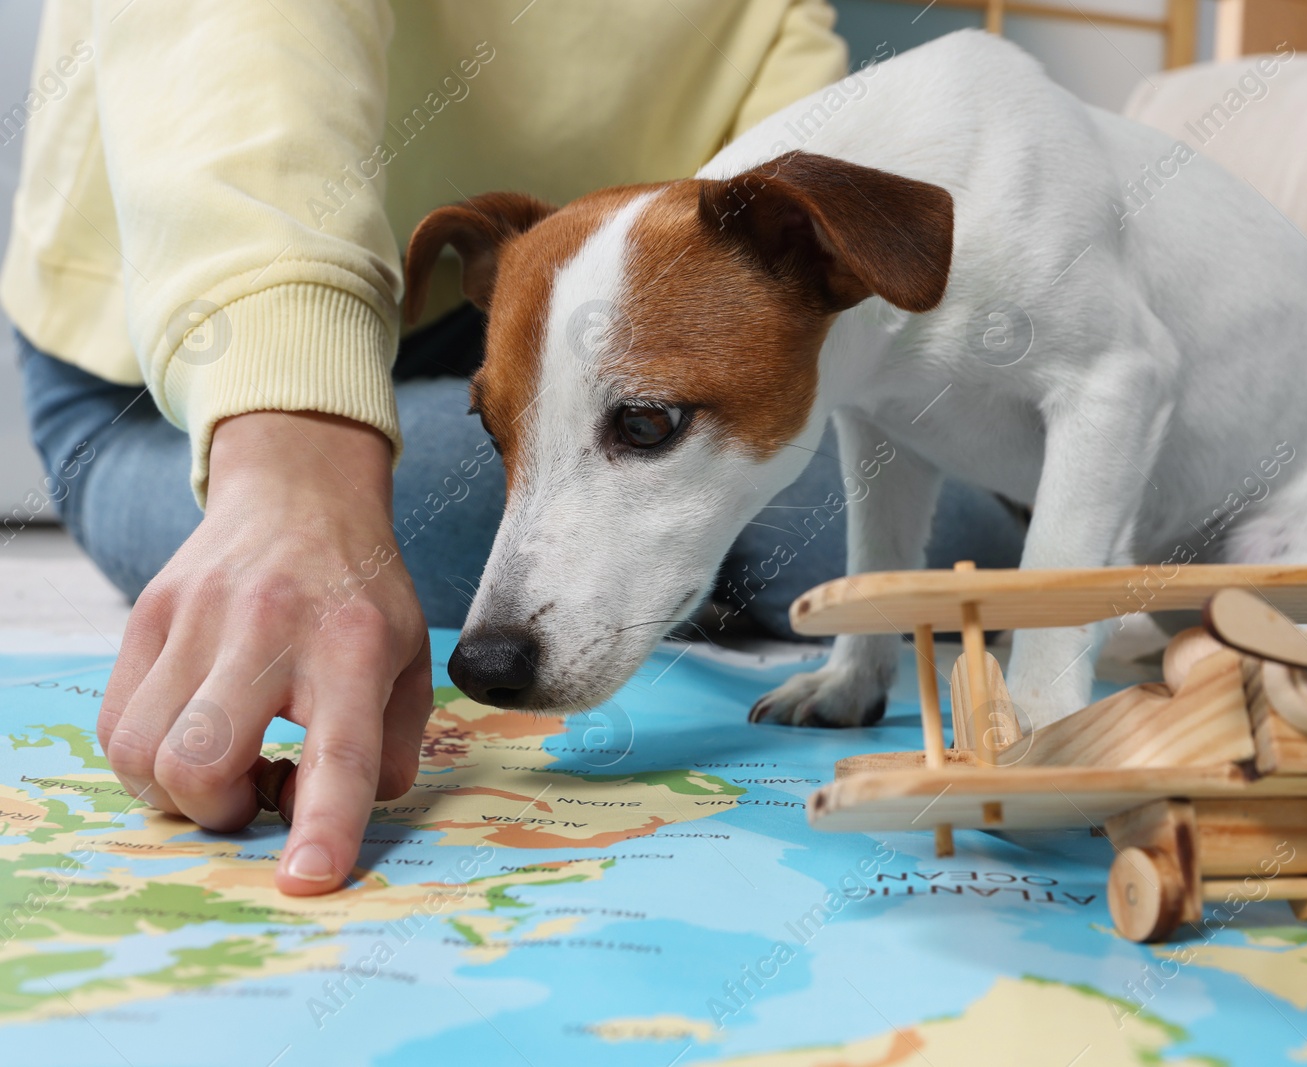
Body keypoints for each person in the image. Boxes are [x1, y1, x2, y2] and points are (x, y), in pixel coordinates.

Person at [6, 1, 1025, 896]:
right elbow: (234, 54)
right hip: (168, 340)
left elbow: (787, 226)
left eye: (646, 429)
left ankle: (628, 438)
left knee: (949, 529)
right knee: (442, 503)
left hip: (574, 298)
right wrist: (295, 462)